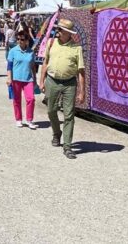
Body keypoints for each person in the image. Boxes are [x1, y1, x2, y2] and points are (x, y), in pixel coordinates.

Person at [39, 18, 85, 160]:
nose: (57, 31)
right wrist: (41, 81)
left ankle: (68, 146)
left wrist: (82, 91)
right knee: (51, 110)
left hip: (69, 83)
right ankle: (56, 133)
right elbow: (45, 62)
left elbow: (81, 71)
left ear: (68, 32)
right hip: (52, 81)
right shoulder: (51, 43)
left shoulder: (77, 48)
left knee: (69, 114)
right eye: (57, 29)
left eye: (60, 29)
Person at [6, 31, 38, 129]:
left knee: (31, 99)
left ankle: (29, 120)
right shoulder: (13, 51)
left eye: (22, 39)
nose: (20, 41)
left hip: (28, 79)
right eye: (18, 39)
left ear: (27, 41)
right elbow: (9, 66)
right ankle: (18, 119)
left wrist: (35, 79)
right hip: (16, 79)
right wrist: (9, 78)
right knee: (17, 100)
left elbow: (33, 66)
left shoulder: (31, 52)